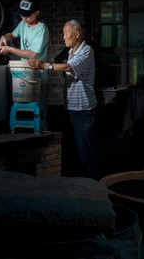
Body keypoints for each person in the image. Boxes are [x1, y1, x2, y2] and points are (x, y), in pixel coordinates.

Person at [28, 19, 102, 180]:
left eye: (66, 33)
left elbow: (69, 67)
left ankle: (96, 187)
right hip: (70, 109)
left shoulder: (86, 51)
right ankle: (76, 186)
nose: (63, 37)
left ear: (77, 34)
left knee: (86, 153)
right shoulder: (71, 52)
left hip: (83, 111)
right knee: (71, 152)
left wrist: (44, 66)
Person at [0, 0, 50, 112]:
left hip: (38, 75)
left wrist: (9, 49)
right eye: (22, 15)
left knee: (38, 109)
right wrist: (5, 37)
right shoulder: (23, 24)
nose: (24, 18)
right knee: (24, 109)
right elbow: (13, 35)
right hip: (24, 74)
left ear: (37, 13)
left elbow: (32, 54)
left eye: (27, 15)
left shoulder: (41, 29)